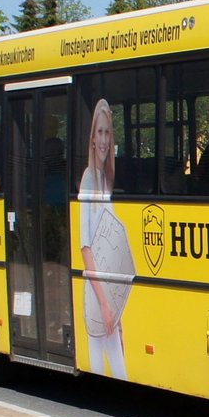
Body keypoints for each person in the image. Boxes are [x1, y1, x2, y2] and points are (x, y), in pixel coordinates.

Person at [79, 99, 128, 379]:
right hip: (97, 294)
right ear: (92, 137)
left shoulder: (105, 179)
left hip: (108, 292)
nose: (104, 140)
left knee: (117, 371)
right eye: (99, 132)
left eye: (108, 132)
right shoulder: (88, 179)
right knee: (104, 370)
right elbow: (86, 248)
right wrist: (106, 304)